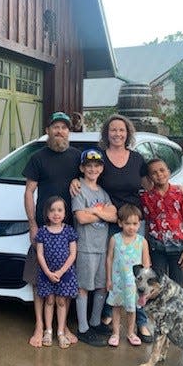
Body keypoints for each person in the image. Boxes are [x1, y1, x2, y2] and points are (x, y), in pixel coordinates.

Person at [71, 114, 153, 342]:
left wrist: (179, 189)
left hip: (133, 223)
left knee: (137, 271)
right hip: (107, 225)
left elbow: (153, 183)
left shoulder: (137, 159)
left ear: (128, 133)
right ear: (107, 133)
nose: (117, 134)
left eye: (122, 130)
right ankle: (106, 316)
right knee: (109, 272)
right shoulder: (101, 159)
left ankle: (141, 321)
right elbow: (87, 176)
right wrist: (74, 181)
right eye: (113, 130)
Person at [23, 111, 81, 347]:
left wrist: (78, 180)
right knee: (40, 281)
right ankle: (39, 325)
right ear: (48, 130)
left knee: (65, 280)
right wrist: (33, 225)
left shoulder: (77, 156)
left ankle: (62, 326)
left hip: (68, 230)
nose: (60, 131)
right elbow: (29, 192)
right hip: (44, 230)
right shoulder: (37, 158)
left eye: (64, 128)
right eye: (55, 127)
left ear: (69, 132)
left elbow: (89, 179)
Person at [71, 149, 117, 347]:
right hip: (86, 246)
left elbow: (114, 215)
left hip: (102, 246)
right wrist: (100, 212)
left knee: (100, 285)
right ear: (82, 168)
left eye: (96, 166)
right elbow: (80, 217)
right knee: (83, 286)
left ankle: (95, 322)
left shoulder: (103, 192)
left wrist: (93, 211)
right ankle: (82, 328)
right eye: (88, 166)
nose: (92, 169)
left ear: (101, 168)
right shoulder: (79, 188)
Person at [140, 158, 183, 288]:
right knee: (158, 285)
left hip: (178, 248)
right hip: (156, 248)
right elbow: (147, 224)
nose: (159, 174)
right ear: (149, 177)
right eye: (154, 172)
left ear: (169, 172)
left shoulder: (180, 194)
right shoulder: (146, 198)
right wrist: (146, 251)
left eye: (162, 170)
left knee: (178, 287)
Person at [36, 196, 79, 348]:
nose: (56, 213)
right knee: (49, 301)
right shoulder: (42, 232)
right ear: (47, 213)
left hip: (65, 274)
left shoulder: (69, 231)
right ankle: (48, 330)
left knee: (61, 301)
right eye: (52, 210)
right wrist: (48, 272)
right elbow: (40, 254)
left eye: (59, 210)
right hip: (47, 273)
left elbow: (73, 254)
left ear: (65, 213)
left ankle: (60, 332)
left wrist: (60, 272)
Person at [105, 204, 150, 347]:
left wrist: (145, 284)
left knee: (132, 308)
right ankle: (115, 333)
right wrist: (108, 279)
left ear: (139, 224)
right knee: (116, 307)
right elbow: (109, 258)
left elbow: (146, 263)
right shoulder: (115, 239)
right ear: (120, 223)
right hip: (118, 280)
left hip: (134, 284)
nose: (131, 227)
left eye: (135, 224)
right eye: (128, 223)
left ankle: (131, 332)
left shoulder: (142, 241)